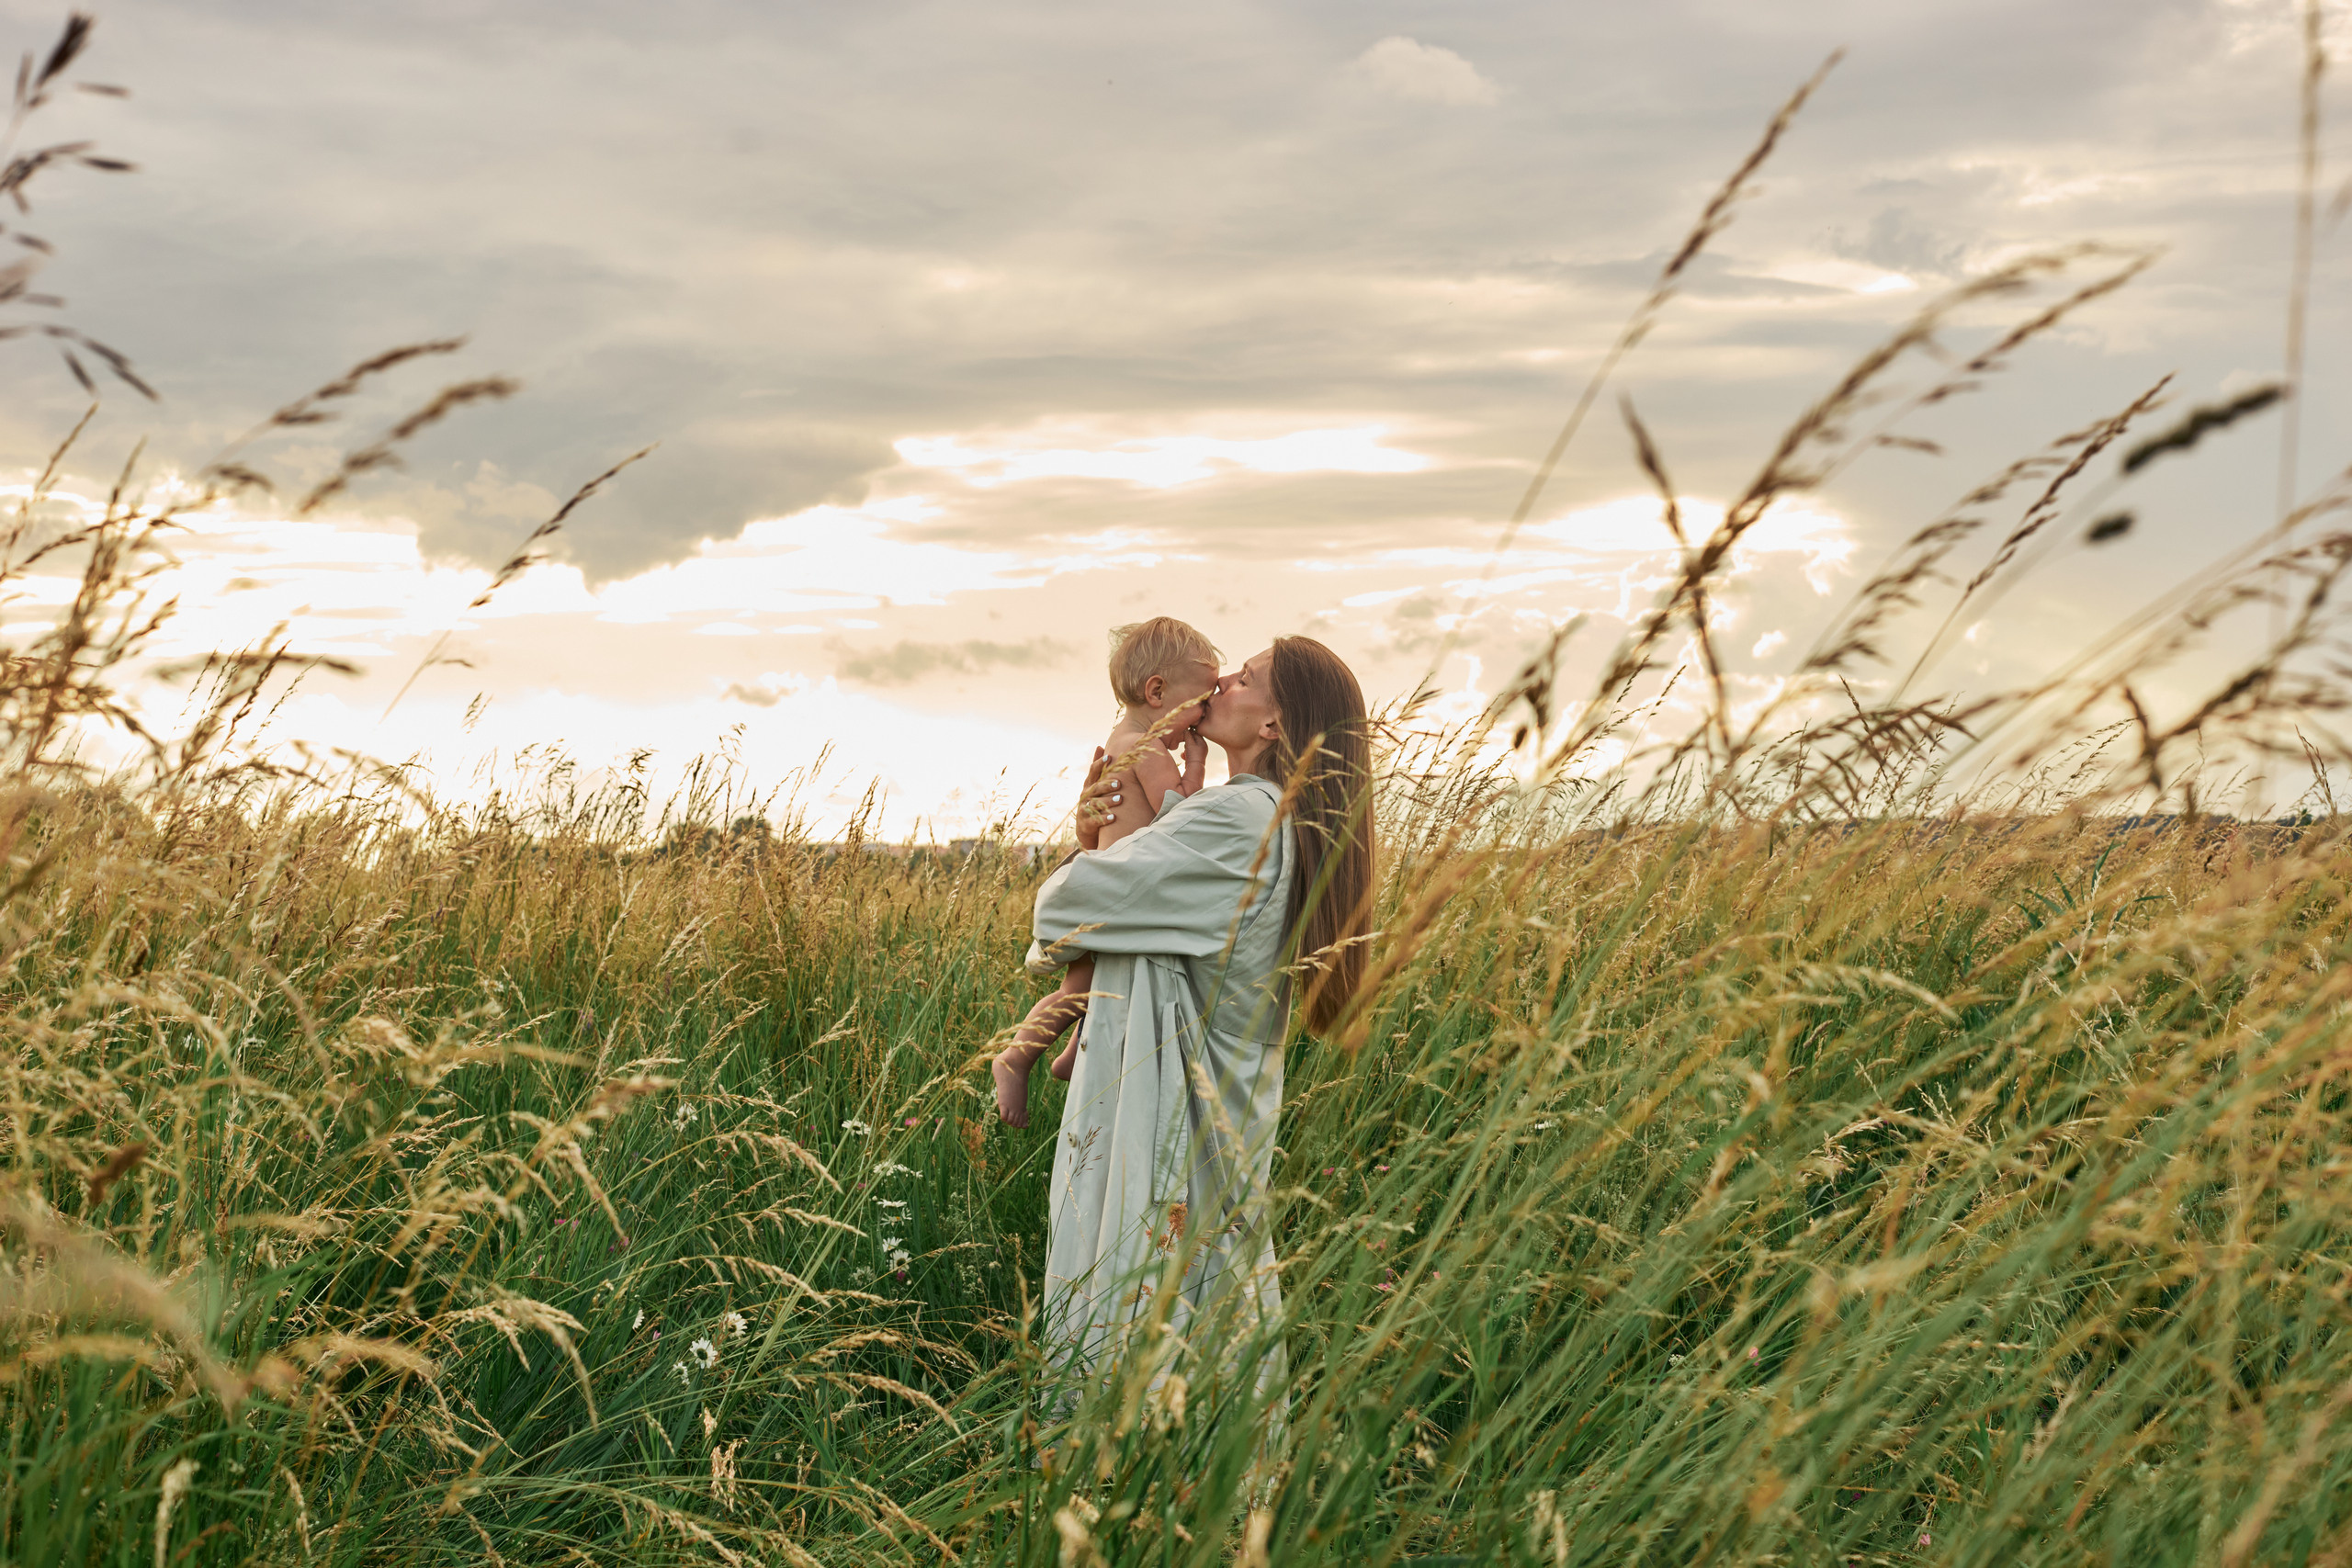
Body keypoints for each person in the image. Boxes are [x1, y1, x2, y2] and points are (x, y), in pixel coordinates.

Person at [1028, 636, 1376, 1386]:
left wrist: (1085, 843)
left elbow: (1064, 908)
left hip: (1168, 1136)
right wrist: (1101, 837)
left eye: (1246, 677)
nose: (1222, 678)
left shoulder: (1235, 821)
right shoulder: (1268, 821)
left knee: (1139, 1331)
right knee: (1212, 1320)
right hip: (1214, 1127)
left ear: (1274, 726)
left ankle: (1119, 1488)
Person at [992, 617, 1221, 1128]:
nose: (1204, 717)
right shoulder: (1146, 747)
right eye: (1201, 702)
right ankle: (1017, 1057)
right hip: (1115, 892)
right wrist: (1199, 765)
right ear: (1157, 691)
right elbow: (1178, 811)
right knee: (1081, 988)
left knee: (1096, 981)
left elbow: (1100, 831)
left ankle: (1074, 1051)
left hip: (1109, 879)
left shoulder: (1122, 739)